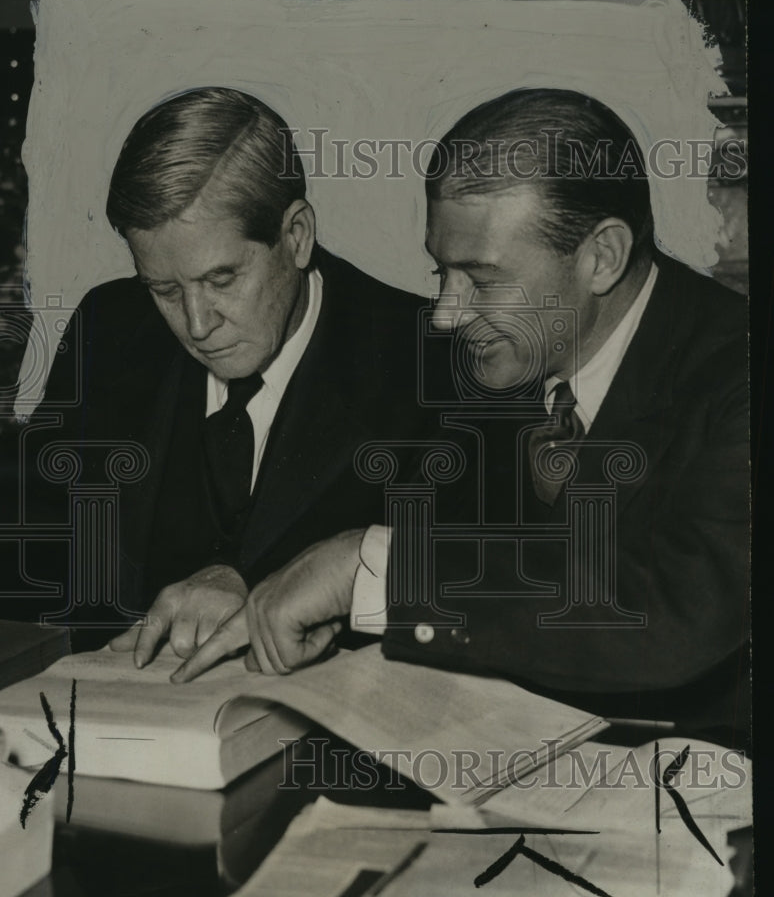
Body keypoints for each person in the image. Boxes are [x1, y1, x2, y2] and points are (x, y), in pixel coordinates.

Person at [122, 88, 749, 742]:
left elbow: (677, 611)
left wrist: (370, 568)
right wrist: (245, 586)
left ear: (602, 257)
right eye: (442, 273)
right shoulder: (488, 368)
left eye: (480, 279)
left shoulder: (738, 371)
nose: (447, 313)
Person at [17, 87, 435, 653]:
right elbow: (26, 535)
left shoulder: (428, 358)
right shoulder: (110, 327)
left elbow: (474, 585)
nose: (196, 323)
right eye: (164, 289)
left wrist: (251, 579)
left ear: (296, 236)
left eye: (221, 280)